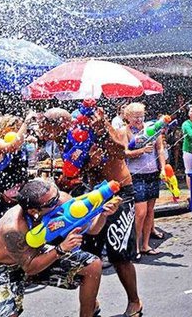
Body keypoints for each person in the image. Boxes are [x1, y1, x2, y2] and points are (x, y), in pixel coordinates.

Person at [39, 107, 143, 317]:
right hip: (92, 194)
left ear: (59, 124)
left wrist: (103, 130)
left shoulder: (102, 126)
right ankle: (90, 304)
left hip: (119, 192)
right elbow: (76, 168)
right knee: (86, 253)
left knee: (118, 253)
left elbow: (121, 151)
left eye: (45, 125)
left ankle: (135, 301)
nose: (41, 130)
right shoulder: (66, 138)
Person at [0, 179, 121, 317]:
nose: (59, 200)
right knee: (6, 314)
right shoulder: (13, 228)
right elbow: (30, 268)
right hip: (1, 265)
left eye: (57, 194)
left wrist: (103, 213)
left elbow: (93, 229)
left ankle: (88, 312)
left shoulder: (61, 199)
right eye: (53, 202)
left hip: (38, 254)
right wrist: (60, 249)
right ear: (34, 210)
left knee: (92, 265)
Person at [123, 102, 164, 257]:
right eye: (135, 117)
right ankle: (135, 246)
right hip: (136, 175)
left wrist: (163, 168)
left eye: (141, 116)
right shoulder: (125, 131)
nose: (139, 119)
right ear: (127, 117)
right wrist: (141, 151)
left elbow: (159, 148)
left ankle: (146, 244)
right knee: (140, 212)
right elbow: (125, 153)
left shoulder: (152, 127)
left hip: (152, 173)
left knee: (150, 212)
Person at [0, 112, 35, 222]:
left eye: (19, 128)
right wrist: (26, 122)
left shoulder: (20, 144)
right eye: (14, 128)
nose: (18, 131)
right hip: (2, 195)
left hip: (19, 194)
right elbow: (12, 146)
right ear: (4, 128)